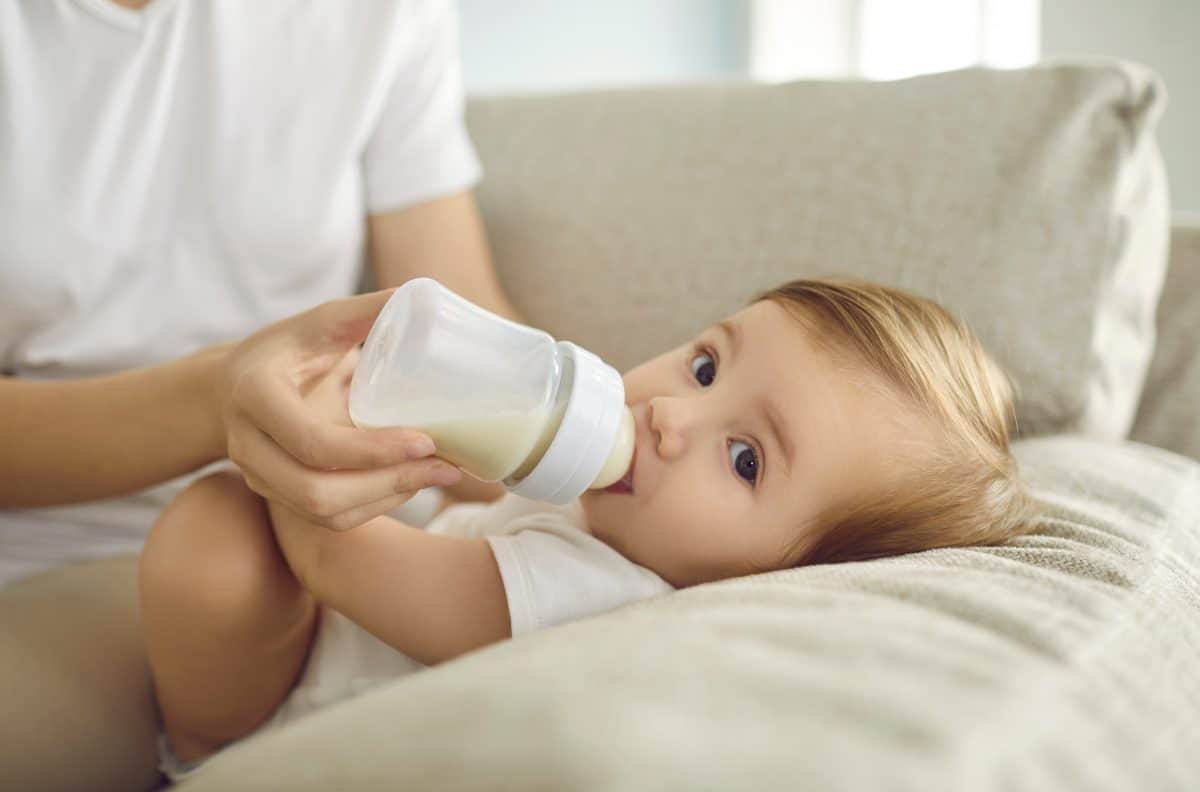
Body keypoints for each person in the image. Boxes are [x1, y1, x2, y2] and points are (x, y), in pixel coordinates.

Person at [139, 277, 1041, 780]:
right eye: (704, 364)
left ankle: (207, 750)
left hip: (291, 723)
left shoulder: (599, 599)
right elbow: (461, 512)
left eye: (745, 460)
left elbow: (341, 558)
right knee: (229, 518)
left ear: (789, 575)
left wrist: (327, 430)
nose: (669, 417)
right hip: (319, 635)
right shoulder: (608, 508)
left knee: (213, 533)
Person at [0, 0, 514, 586]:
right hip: (55, 550)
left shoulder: (380, 14)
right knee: (219, 571)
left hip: (350, 524)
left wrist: (590, 460)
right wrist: (219, 401)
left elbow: (461, 326)